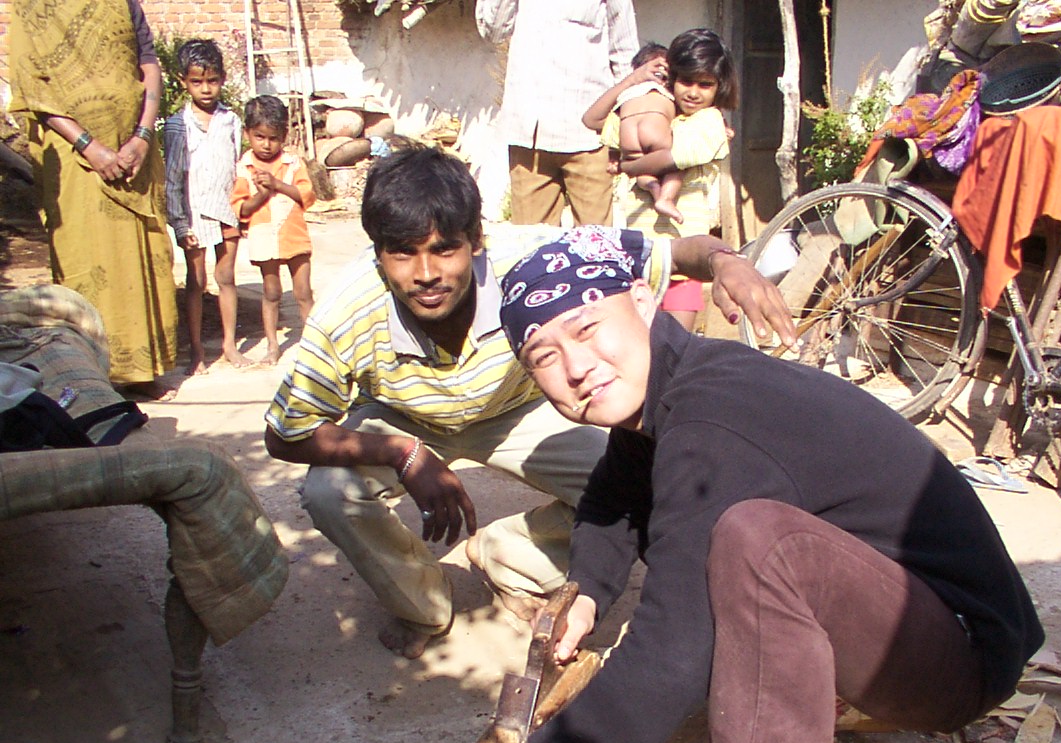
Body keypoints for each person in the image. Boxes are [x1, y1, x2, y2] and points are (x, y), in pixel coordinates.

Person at [417, 229, 1045, 743]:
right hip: (916, 622)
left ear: (643, 301)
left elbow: (677, 642)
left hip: (959, 657)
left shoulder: (711, 418)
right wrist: (587, 593)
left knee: (758, 543)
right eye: (544, 357)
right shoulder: (676, 383)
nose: (576, 367)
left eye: (587, 329)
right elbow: (613, 495)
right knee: (740, 552)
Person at [262, 142, 796, 661]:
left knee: (651, 484)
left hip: (514, 407)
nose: (424, 274)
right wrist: (402, 452)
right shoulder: (346, 311)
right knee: (329, 492)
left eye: (444, 249)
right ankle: (422, 607)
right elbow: (285, 433)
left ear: (476, 239)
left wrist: (727, 262)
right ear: (378, 253)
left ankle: (508, 556)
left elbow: (675, 253)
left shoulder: (533, 256)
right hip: (403, 418)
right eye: (402, 252)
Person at [10, 0, 179, 401]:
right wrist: (90, 146)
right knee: (87, 256)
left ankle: (140, 371)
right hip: (75, 158)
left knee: (139, 253)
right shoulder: (32, 8)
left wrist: (143, 136)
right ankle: (92, 372)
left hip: (135, 151)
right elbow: (34, 90)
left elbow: (147, 61)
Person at [591, 28, 739, 331]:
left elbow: (672, 158)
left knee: (675, 346)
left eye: (705, 84)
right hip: (640, 258)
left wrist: (628, 165)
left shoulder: (709, 122)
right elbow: (594, 119)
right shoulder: (654, 115)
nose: (693, 92)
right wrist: (633, 81)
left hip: (684, 262)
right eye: (686, 81)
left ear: (719, 87)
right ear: (671, 78)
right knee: (638, 346)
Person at [475, 0, 638, 227]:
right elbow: (494, 32)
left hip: (589, 137)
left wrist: (627, 124)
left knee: (595, 242)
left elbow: (625, 54)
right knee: (531, 243)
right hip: (529, 135)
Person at [164, 38, 249, 375]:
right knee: (196, 281)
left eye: (212, 80)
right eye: (197, 81)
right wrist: (180, 223)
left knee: (226, 277)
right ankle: (197, 349)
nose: (205, 89)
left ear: (222, 79)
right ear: (183, 81)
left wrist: (243, 209)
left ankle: (229, 345)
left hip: (226, 208)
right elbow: (173, 178)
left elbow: (236, 166)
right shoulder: (177, 125)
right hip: (194, 211)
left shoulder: (231, 121)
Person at [231, 95, 315, 366]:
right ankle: (272, 346)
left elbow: (307, 195)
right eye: (260, 137)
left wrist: (277, 185)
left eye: (273, 138)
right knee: (271, 292)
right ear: (247, 134)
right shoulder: (244, 168)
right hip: (264, 237)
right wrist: (261, 195)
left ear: (284, 136)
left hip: (294, 235)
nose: (266, 145)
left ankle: (314, 347)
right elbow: (241, 208)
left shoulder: (293, 163)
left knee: (303, 293)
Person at [582, 43, 684, 223]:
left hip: (629, 139)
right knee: (677, 163)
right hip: (655, 131)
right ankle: (666, 198)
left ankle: (654, 190)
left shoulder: (628, 94)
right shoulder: (665, 91)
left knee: (642, 171)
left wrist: (629, 81)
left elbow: (590, 120)